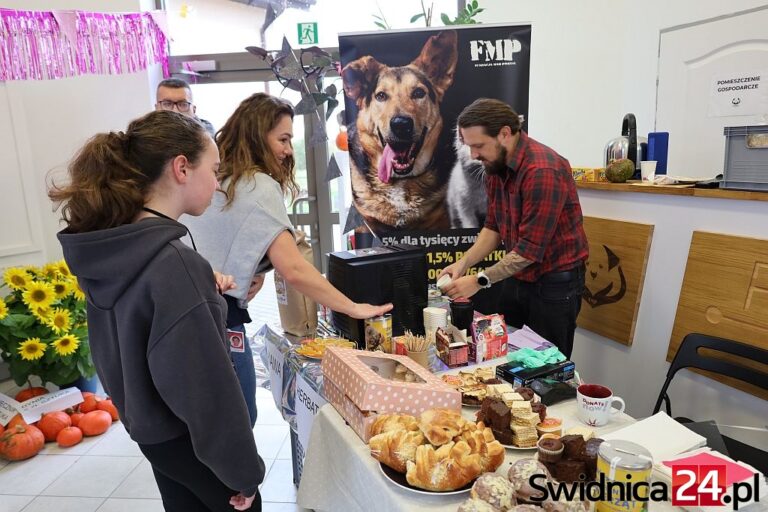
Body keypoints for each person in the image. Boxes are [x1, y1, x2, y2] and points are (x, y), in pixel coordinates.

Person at [50, 111, 264, 512]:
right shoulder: (173, 264)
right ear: (181, 168)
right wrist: (243, 472)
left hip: (153, 437)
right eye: (214, 170)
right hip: (194, 445)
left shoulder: (112, 250)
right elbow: (207, 391)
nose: (218, 185)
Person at [183, 93, 391, 424]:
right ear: (256, 135)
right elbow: (294, 269)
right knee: (238, 423)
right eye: (282, 139)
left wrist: (257, 268)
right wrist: (353, 308)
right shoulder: (260, 184)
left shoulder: (222, 179)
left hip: (188, 321)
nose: (289, 150)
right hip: (219, 324)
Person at [440, 98, 588, 358]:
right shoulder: (495, 166)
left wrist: (478, 281)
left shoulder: (542, 170)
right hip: (520, 278)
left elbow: (528, 251)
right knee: (506, 356)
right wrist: (463, 264)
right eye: (469, 146)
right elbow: (493, 228)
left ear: (505, 134)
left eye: (478, 145)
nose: (473, 155)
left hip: (554, 284)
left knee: (547, 366)